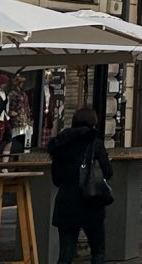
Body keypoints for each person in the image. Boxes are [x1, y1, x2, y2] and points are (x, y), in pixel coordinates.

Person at [46, 107, 112, 264]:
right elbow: (108, 172)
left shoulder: (60, 145)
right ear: (93, 123)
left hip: (66, 203)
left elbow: (56, 179)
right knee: (97, 252)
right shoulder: (95, 144)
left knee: (65, 255)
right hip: (91, 202)